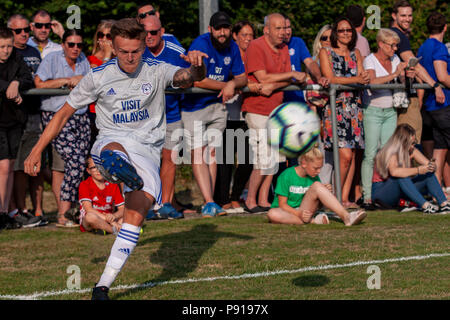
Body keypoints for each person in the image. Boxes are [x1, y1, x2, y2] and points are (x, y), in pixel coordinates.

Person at [24, 18, 207, 300]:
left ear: (143, 46)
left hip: (147, 151)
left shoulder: (156, 70)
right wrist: (37, 150)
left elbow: (187, 78)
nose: (131, 57)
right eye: (124, 51)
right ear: (112, 45)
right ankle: (116, 168)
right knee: (113, 152)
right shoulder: (98, 76)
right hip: (111, 142)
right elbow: (62, 114)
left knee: (136, 218)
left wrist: (197, 66)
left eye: (136, 51)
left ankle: (102, 286)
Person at [181, 11, 247, 218]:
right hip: (195, 107)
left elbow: (242, 78)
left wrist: (232, 84)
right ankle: (209, 202)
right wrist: (226, 85)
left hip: (217, 106)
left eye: (226, 28)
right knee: (198, 153)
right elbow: (197, 80)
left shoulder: (233, 46)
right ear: (210, 29)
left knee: (212, 154)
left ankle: (210, 202)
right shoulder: (200, 44)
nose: (222, 32)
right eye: (218, 28)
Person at [241, 13, 306, 214]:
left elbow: (274, 81)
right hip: (257, 109)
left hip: (276, 109)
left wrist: (278, 82)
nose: (282, 33)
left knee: (275, 159)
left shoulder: (284, 48)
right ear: (266, 30)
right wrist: (292, 75)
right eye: (277, 28)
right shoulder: (256, 46)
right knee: (263, 159)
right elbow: (262, 76)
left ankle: (263, 199)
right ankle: (250, 200)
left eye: (284, 28)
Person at [34, 29, 91, 227]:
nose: (75, 49)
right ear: (63, 44)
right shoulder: (51, 59)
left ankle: (66, 212)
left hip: (81, 118)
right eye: (71, 44)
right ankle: (66, 212)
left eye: (79, 44)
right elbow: (38, 83)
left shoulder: (84, 60)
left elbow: (92, 82)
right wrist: (66, 81)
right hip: (57, 117)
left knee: (76, 164)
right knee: (72, 163)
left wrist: (82, 80)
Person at [361, 28, 415, 209]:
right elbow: (372, 83)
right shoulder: (370, 60)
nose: (395, 49)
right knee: (370, 154)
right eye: (392, 45)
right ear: (381, 45)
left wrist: (406, 75)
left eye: (396, 45)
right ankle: (367, 196)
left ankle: (385, 194)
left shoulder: (395, 59)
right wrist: (394, 74)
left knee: (389, 154)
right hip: (373, 111)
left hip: (390, 110)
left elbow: (398, 81)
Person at [319, 16, 370, 208]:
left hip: (355, 108)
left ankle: (345, 198)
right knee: (345, 156)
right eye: (342, 30)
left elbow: (362, 77)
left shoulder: (356, 53)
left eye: (349, 30)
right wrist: (356, 78)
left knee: (353, 155)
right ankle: (335, 198)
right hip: (337, 107)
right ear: (335, 33)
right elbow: (330, 78)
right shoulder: (326, 52)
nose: (346, 34)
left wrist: (362, 77)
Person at [141, 15, 188, 219]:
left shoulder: (176, 51)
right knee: (146, 160)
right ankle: (146, 203)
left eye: (154, 32)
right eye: (146, 32)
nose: (149, 36)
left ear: (162, 32)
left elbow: (190, 77)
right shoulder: (136, 51)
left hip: (171, 113)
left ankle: (165, 204)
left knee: (170, 159)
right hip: (145, 117)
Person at [7, 14, 47, 226]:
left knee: (35, 163)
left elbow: (32, 78)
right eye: (18, 31)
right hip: (13, 116)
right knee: (16, 166)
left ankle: (37, 209)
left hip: (33, 113)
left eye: (26, 30)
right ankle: (17, 209)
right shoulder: (8, 53)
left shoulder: (32, 51)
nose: (24, 34)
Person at [213, 20, 255, 214]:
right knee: (226, 160)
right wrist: (238, 85)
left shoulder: (254, 55)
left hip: (245, 115)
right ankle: (222, 200)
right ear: (235, 36)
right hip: (227, 114)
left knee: (247, 160)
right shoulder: (229, 52)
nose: (248, 39)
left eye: (251, 35)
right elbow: (224, 78)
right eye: (244, 35)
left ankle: (235, 195)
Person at [389, 0, 445, 144]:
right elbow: (414, 64)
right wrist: (435, 85)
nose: (407, 19)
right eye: (403, 16)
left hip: (398, 98)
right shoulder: (399, 36)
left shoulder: (393, 34)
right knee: (409, 145)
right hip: (405, 100)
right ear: (394, 16)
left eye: (409, 15)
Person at [267, 146, 367, 226]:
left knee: (317, 186)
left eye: (320, 168)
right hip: (289, 211)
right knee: (272, 214)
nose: (318, 171)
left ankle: (346, 217)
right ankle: (313, 220)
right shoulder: (286, 175)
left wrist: (324, 192)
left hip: (306, 210)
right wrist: (298, 214)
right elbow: (282, 205)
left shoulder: (313, 177)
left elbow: (318, 206)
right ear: (304, 163)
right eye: (316, 168)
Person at [372, 124, 450, 214]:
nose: (413, 146)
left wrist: (431, 166)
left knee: (428, 174)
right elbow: (394, 172)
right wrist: (418, 170)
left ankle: (444, 204)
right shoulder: (391, 152)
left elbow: (428, 165)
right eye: (411, 143)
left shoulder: (411, 150)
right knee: (401, 176)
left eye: (414, 142)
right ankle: (425, 206)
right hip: (381, 193)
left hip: (400, 191)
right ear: (402, 142)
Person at [0, 27, 34, 230]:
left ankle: (5, 212)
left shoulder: (17, 58)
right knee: (4, 166)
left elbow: (28, 77)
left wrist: (16, 82)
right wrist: (9, 87)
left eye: (8, 46)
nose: (5, 51)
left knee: (11, 167)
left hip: (14, 120)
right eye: (2, 47)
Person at [417, 12, 450, 190]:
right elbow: (443, 76)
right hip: (443, 104)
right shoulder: (439, 47)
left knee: (440, 149)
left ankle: (437, 191)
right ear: (445, 27)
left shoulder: (423, 47)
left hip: (431, 106)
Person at [79, 156, 124, 235]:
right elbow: (89, 209)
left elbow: (122, 209)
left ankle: (105, 229)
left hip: (110, 217)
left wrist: (114, 216)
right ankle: (115, 231)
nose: (98, 170)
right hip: (93, 218)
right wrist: (112, 222)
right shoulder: (84, 185)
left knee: (129, 214)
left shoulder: (112, 184)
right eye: (94, 167)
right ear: (88, 171)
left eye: (101, 166)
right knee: (90, 217)